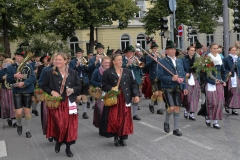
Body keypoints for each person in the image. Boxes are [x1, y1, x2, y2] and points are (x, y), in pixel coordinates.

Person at [42, 52, 81, 157]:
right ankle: (58, 141)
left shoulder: (73, 72)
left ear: (65, 61)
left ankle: (68, 148)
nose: (57, 61)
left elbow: (79, 86)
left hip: (69, 102)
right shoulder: (49, 73)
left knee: (70, 126)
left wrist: (73, 90)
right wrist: (51, 92)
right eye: (56, 59)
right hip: (57, 103)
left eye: (60, 59)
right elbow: (43, 85)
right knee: (59, 124)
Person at [100, 54, 140, 146]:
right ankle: (116, 136)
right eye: (118, 60)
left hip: (125, 97)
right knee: (115, 118)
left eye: (121, 60)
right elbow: (104, 85)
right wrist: (111, 88)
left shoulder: (127, 71)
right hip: (114, 98)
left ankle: (123, 137)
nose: (121, 61)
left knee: (125, 118)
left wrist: (136, 95)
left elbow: (133, 84)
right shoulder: (108, 72)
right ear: (113, 62)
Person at [158, 39, 188, 136]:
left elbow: (182, 75)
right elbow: (160, 76)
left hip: (178, 87)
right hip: (168, 87)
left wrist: (185, 87)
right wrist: (171, 78)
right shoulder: (162, 61)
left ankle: (176, 129)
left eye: (174, 49)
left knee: (177, 108)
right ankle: (166, 122)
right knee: (171, 108)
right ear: (166, 51)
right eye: (170, 49)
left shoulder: (179, 61)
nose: (173, 51)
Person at [7, 48, 36, 138]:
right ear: (15, 56)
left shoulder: (29, 66)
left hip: (27, 90)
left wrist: (24, 82)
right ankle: (19, 125)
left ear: (23, 58)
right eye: (17, 56)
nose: (18, 57)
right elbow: (8, 79)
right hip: (17, 91)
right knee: (19, 112)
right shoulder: (10, 67)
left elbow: (33, 77)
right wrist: (14, 76)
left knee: (27, 111)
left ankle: (27, 130)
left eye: (20, 56)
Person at [204, 43, 226, 129]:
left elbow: (224, 72)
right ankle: (208, 117)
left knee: (219, 102)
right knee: (212, 102)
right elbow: (205, 75)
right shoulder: (207, 59)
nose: (216, 50)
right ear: (210, 49)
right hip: (211, 83)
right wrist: (213, 81)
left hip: (219, 83)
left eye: (217, 48)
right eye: (214, 48)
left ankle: (215, 121)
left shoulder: (220, 58)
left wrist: (223, 80)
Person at [38, 54, 57, 142]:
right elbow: (41, 82)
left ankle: (57, 133)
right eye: (55, 59)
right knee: (47, 116)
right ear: (51, 60)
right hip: (48, 95)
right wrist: (49, 90)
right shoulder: (46, 69)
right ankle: (50, 133)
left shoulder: (63, 69)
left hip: (58, 96)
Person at [91, 56, 111, 132]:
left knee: (110, 110)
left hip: (110, 92)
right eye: (105, 62)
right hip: (100, 93)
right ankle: (101, 126)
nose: (107, 64)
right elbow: (92, 81)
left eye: (108, 62)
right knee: (101, 110)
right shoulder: (97, 71)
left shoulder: (112, 71)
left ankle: (109, 126)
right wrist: (100, 84)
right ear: (101, 63)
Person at [122, 45, 142, 120]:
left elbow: (141, 67)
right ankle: (126, 113)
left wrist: (137, 62)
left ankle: (135, 114)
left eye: (132, 52)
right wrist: (127, 64)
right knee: (127, 98)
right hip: (125, 81)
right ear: (125, 53)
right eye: (129, 52)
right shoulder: (122, 60)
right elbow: (120, 68)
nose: (131, 54)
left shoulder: (135, 59)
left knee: (136, 97)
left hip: (135, 80)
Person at [69, 47, 90, 119]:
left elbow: (88, 70)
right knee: (78, 98)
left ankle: (84, 113)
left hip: (84, 80)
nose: (80, 55)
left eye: (81, 53)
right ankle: (76, 109)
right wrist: (77, 65)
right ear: (76, 54)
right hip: (76, 81)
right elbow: (71, 71)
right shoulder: (72, 62)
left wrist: (85, 66)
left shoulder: (85, 60)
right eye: (78, 53)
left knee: (84, 97)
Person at [182, 46, 201, 120]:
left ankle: (192, 113)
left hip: (195, 77)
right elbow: (180, 69)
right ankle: (186, 110)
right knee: (189, 96)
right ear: (188, 51)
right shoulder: (183, 60)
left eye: (194, 50)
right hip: (187, 78)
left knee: (195, 95)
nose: (193, 51)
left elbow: (198, 69)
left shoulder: (196, 59)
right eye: (191, 50)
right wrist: (185, 73)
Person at [146, 40, 164, 115]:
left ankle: (159, 109)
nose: (156, 50)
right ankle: (151, 104)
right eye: (154, 48)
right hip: (153, 76)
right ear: (152, 49)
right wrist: (154, 59)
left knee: (160, 93)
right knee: (155, 93)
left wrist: (164, 58)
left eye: (156, 48)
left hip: (160, 76)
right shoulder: (148, 56)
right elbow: (147, 65)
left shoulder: (160, 56)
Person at [223, 46, 240, 115]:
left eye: (235, 50)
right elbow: (223, 68)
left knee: (236, 92)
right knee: (230, 91)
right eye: (232, 50)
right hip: (230, 77)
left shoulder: (238, 58)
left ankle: (233, 107)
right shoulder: (226, 59)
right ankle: (227, 105)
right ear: (229, 51)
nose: (234, 51)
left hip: (236, 76)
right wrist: (227, 72)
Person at [0, 58, 16, 127]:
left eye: (9, 63)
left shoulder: (13, 70)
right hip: (4, 89)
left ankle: (14, 120)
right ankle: (9, 118)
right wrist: (2, 78)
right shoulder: (1, 71)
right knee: (6, 105)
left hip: (12, 89)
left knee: (13, 105)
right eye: (6, 63)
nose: (7, 64)